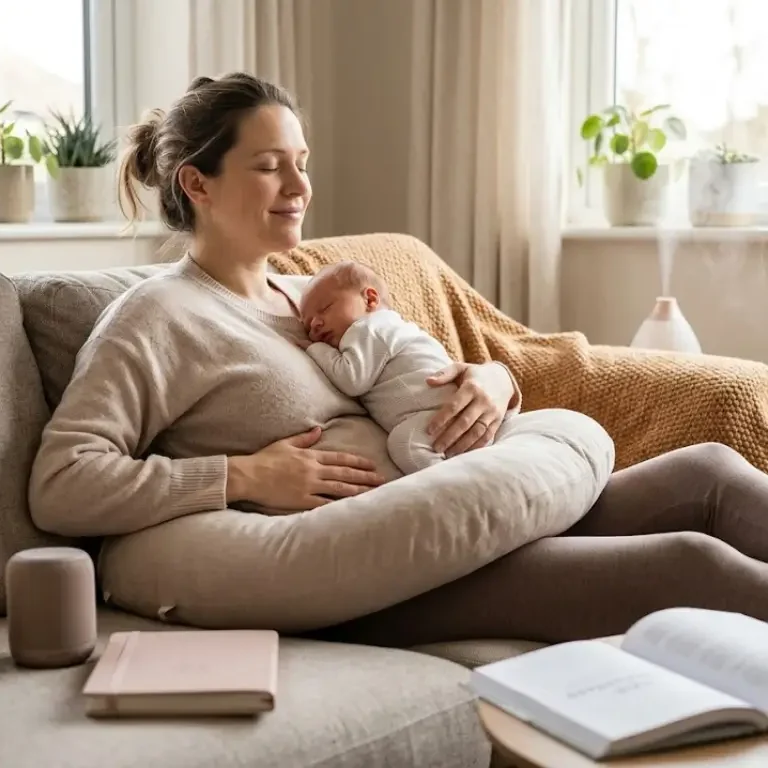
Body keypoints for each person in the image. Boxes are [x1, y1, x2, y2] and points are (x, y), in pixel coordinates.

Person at [27, 72, 768, 648]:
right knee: (686, 566)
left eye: (303, 164)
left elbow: (412, 376)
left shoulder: (311, 291)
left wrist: (492, 379)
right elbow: (62, 484)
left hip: (458, 508)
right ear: (198, 183)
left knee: (708, 472)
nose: (300, 188)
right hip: (370, 574)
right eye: (269, 167)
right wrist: (246, 475)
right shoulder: (158, 318)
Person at [298, 260, 521, 474]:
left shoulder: (369, 328)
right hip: (455, 413)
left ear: (370, 299)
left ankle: (451, 483)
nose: (315, 325)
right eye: (307, 326)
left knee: (405, 444)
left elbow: (352, 380)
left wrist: (314, 348)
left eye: (325, 308)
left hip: (437, 414)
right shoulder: (393, 329)